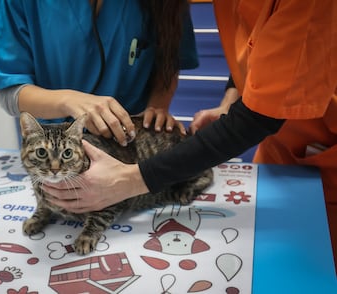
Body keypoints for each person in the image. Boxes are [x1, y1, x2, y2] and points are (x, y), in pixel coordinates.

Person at [43, 1, 337, 268]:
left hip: (328, 159)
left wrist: (129, 180)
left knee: (309, 267)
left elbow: (259, 119)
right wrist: (231, 101)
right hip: (279, 153)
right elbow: (258, 47)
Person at [0, 0, 198, 146]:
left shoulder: (165, 5)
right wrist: (67, 100)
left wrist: (157, 107)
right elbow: (10, 91)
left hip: (129, 145)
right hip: (55, 150)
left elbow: (169, 62)